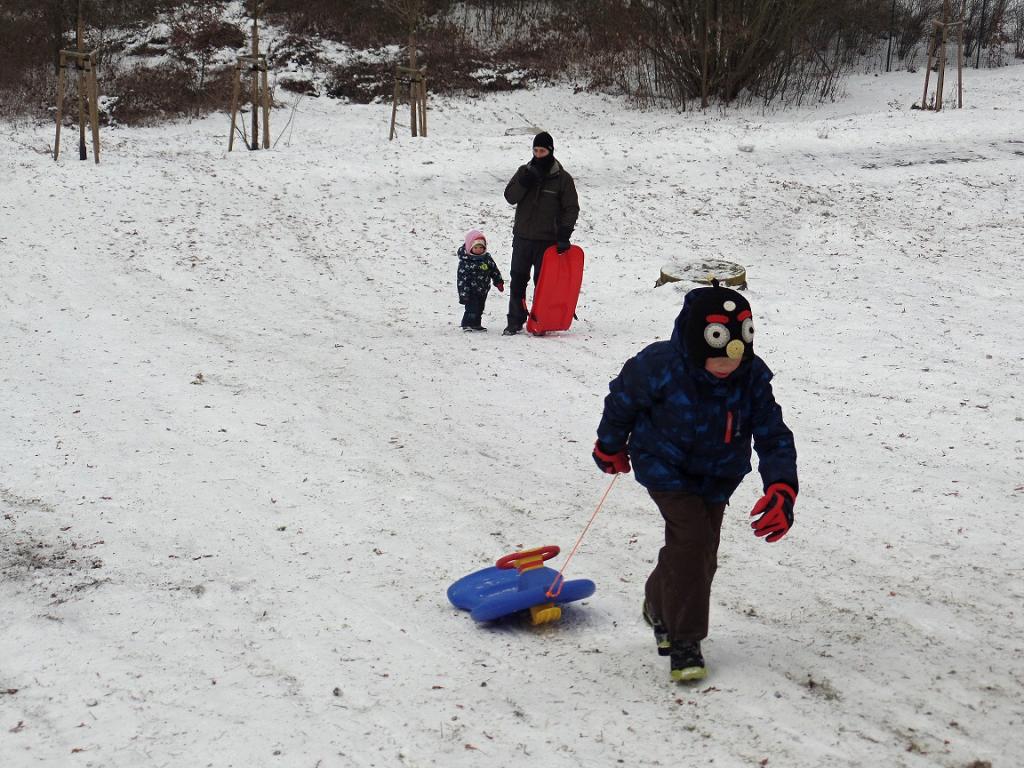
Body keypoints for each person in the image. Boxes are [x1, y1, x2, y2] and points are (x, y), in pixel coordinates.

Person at [592, 280, 798, 682]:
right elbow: (622, 401)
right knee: (694, 541)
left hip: (719, 474)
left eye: (733, 360)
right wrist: (610, 445)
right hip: (663, 465)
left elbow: (773, 434)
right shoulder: (659, 367)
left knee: (698, 554)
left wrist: (781, 487)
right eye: (716, 360)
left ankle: (657, 601)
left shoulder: (751, 377)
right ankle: (684, 639)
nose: (727, 368)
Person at [501, 131, 580, 335]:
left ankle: (541, 320)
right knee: (517, 279)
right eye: (535, 150)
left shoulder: (563, 179)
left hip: (547, 241)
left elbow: (571, 208)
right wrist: (524, 183)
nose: (538, 154)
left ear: (550, 151)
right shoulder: (523, 172)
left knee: (544, 284)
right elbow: (510, 197)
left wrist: (564, 234)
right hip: (522, 237)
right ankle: (514, 320)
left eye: (542, 151)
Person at [456, 229, 504, 331]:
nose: (478, 250)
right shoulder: (466, 261)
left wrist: (498, 281)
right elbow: (462, 279)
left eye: (481, 247)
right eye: (476, 247)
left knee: (480, 308)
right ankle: (467, 324)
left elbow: (494, 270)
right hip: (471, 290)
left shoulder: (486, 258)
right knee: (471, 308)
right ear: (470, 247)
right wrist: (463, 294)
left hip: (483, 289)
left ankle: (476, 324)